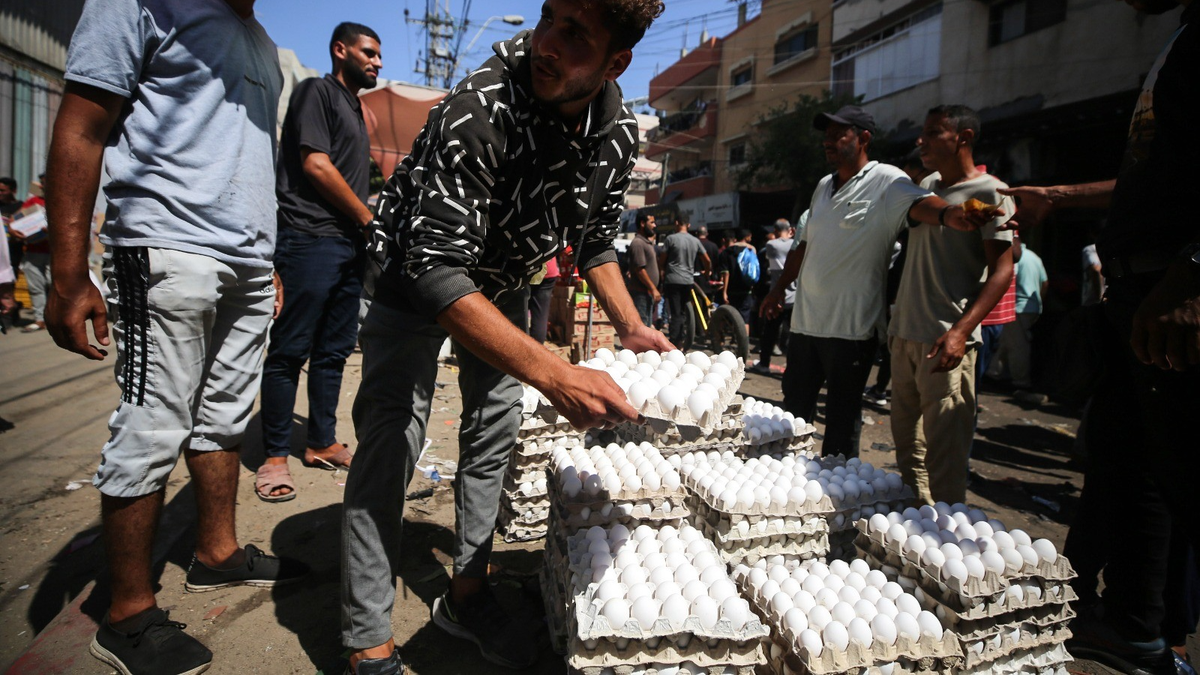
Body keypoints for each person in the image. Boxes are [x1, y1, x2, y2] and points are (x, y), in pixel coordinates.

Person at [344, 0, 669, 670]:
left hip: (507, 280)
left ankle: (467, 591)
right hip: (417, 273)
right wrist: (555, 372)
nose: (546, 42)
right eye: (550, 17)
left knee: (491, 437)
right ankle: (365, 639)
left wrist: (634, 326)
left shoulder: (616, 133)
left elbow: (597, 243)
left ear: (616, 63)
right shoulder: (482, 104)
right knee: (391, 441)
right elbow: (434, 269)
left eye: (574, 35)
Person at [46, 1, 308, 673]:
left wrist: (267, 258)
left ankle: (217, 553)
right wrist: (69, 273)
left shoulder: (261, 40)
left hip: (246, 262)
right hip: (163, 246)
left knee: (224, 413)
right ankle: (128, 614)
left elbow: (248, 160)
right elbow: (82, 126)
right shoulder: (136, 5)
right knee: (153, 422)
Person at [998, 2, 1198, 672]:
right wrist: (1058, 193)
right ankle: (1115, 615)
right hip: (1136, 295)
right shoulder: (1180, 39)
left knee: (1167, 473)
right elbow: (1153, 180)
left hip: (1169, 295)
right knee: (1122, 457)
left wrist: (1189, 276)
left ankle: (1151, 624)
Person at [761, 105, 999, 458]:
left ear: (863, 139)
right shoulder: (824, 186)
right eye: (826, 135)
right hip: (805, 325)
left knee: (840, 428)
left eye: (838, 134)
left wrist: (953, 215)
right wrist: (779, 290)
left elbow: (926, 205)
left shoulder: (887, 181)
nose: (828, 141)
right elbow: (805, 244)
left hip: (851, 331)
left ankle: (834, 499)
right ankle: (783, 485)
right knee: (792, 418)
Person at [256, 23, 382, 502]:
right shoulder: (317, 92)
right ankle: (272, 457)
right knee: (290, 351)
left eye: (377, 55)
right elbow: (315, 164)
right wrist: (367, 216)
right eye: (368, 53)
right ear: (340, 50)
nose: (377, 62)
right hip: (309, 239)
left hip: (347, 244)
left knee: (332, 352)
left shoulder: (355, 107)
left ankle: (321, 442)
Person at [887, 105, 1015, 506]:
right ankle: (914, 534)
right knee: (909, 450)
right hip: (904, 333)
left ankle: (943, 541)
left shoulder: (991, 192)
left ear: (964, 137)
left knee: (945, 456)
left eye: (933, 132)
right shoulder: (927, 185)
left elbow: (1003, 269)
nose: (921, 141)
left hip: (945, 340)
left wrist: (961, 332)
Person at [997, 231, 1047, 396]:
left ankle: (1020, 381)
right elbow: (1045, 283)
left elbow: (1006, 279)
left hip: (1018, 306)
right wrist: (1039, 301)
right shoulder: (1035, 257)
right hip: (1031, 307)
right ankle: (995, 372)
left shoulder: (1014, 257)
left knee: (1017, 345)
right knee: (1009, 341)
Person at [751, 219, 795, 373]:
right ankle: (792, 367)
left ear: (775, 231)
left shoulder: (772, 245)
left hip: (777, 296)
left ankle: (764, 364)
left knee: (769, 333)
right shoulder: (795, 245)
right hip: (794, 297)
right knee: (792, 335)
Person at [662, 218, 710, 345]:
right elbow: (707, 260)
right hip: (688, 281)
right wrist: (707, 272)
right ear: (688, 225)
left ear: (676, 223)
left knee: (675, 312)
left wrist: (662, 271)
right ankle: (680, 339)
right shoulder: (695, 241)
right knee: (682, 312)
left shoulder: (670, 239)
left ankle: (674, 343)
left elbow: (662, 259)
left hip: (672, 280)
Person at [626, 213, 660, 327]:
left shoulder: (646, 243)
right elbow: (640, 269)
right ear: (642, 223)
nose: (654, 225)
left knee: (647, 327)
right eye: (652, 222)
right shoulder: (638, 243)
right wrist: (653, 288)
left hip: (646, 294)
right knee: (642, 329)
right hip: (640, 294)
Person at [718, 228, 757, 324]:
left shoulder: (725, 252)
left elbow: (726, 273)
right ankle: (745, 338)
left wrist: (724, 291)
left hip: (732, 289)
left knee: (731, 317)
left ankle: (734, 338)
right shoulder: (750, 249)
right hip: (746, 289)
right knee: (745, 320)